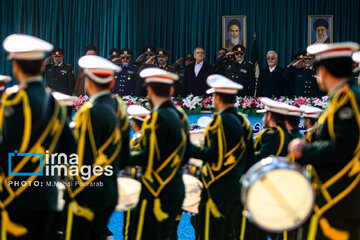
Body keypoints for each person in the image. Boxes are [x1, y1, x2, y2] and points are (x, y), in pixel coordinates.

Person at [0, 33, 76, 240]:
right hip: (48, 195)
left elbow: (5, 147)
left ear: (15, 66)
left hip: (18, 195)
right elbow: (71, 151)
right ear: (42, 67)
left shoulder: (13, 100)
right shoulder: (56, 104)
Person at [288, 42, 360, 240]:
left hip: (340, 194)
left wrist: (305, 151)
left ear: (325, 70)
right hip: (338, 196)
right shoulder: (341, 96)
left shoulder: (348, 98)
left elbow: (344, 146)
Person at [64, 55, 129, 240]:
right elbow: (124, 158)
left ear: (89, 82)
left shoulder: (89, 111)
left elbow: (80, 160)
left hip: (86, 193)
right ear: (111, 83)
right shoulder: (120, 108)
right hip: (108, 190)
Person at [128, 67, 189, 240]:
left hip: (156, 190)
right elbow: (186, 154)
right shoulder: (181, 115)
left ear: (149, 91)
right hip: (176, 186)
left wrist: (124, 157)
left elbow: (149, 156)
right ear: (171, 90)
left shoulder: (156, 117)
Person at [190, 74, 248, 239]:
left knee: (210, 234)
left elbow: (213, 155)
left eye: (213, 96)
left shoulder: (221, 121)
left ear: (218, 98)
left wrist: (188, 148)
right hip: (235, 186)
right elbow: (248, 156)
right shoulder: (241, 121)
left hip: (217, 189)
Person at [254, 97, 292, 162]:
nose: (263, 119)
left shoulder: (272, 134)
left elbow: (261, 158)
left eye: (264, 115)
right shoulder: (287, 133)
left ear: (269, 116)